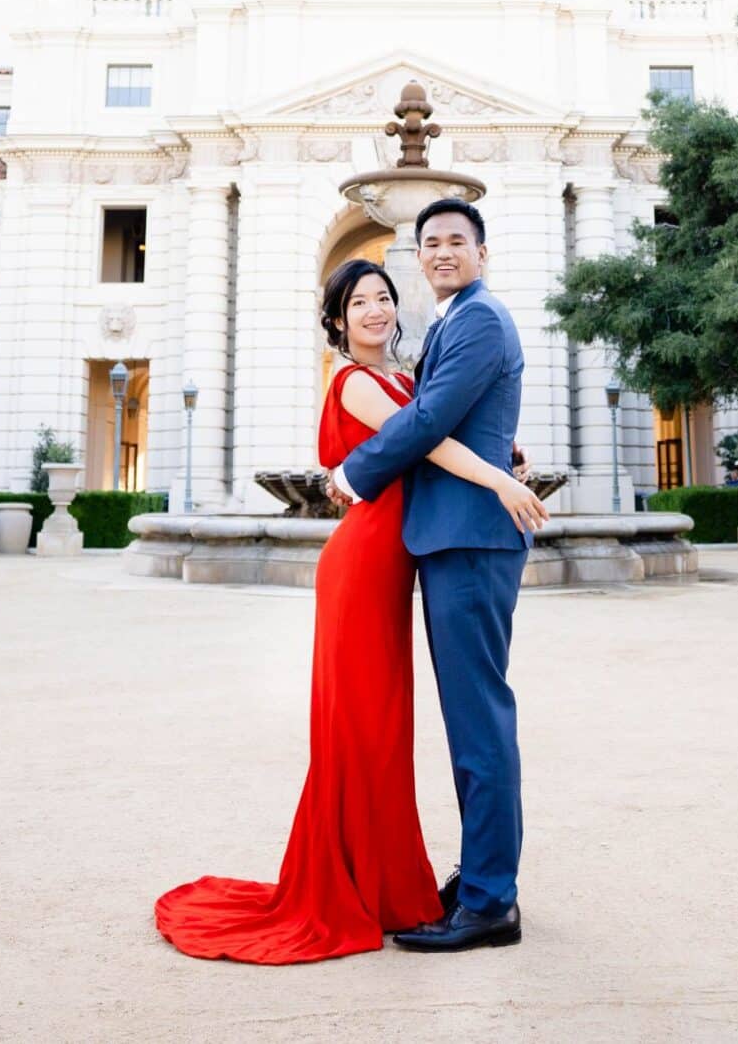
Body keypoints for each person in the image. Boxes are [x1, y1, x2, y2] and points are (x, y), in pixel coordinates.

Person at [153, 253, 546, 964]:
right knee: (363, 726)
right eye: (358, 301)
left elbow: (452, 417)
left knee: (385, 728)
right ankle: (356, 887)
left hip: (397, 560)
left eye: (383, 297)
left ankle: (390, 885)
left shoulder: (406, 374)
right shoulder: (357, 381)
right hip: (365, 562)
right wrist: (501, 480)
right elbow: (427, 436)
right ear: (336, 320)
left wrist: (508, 454)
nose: (374, 309)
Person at [333, 196, 532, 952]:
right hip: (452, 536)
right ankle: (483, 875)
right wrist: (508, 451)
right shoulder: (454, 320)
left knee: (479, 722)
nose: (443, 251)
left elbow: (429, 420)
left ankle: (489, 901)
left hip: (470, 540)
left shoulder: (478, 318)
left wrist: (356, 469)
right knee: (470, 721)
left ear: (481, 251)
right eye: (431, 243)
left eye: (456, 240)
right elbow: (469, 417)